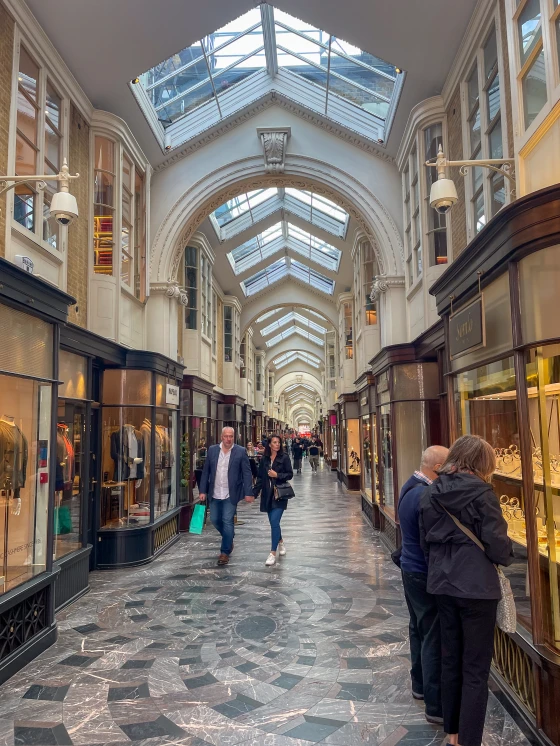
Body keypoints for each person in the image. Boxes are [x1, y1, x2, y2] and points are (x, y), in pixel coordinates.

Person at [419, 435, 514, 746]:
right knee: (475, 668)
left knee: (451, 658)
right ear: (482, 463)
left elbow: (424, 541)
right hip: (476, 588)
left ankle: (453, 733)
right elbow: (498, 547)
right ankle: (470, 739)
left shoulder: (431, 491)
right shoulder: (483, 493)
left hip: (442, 585)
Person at [398, 445, 449, 725]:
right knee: (432, 634)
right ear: (438, 467)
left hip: (410, 568)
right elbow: (429, 541)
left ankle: (418, 684)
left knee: (418, 628)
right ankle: (435, 703)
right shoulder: (425, 495)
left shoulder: (411, 485)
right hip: (422, 572)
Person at [199, 427, 254, 566]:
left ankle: (224, 552)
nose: (228, 439)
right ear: (221, 436)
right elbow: (206, 471)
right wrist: (202, 491)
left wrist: (249, 492)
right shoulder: (212, 450)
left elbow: (247, 473)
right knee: (215, 519)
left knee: (227, 520)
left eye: (231, 436)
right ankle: (229, 538)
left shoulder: (240, 451)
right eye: (226, 436)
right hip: (215, 492)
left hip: (231, 493)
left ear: (233, 437)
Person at [253, 434, 293, 566]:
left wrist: (277, 475)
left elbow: (290, 474)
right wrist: (254, 493)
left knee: (275, 521)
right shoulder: (264, 459)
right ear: (269, 444)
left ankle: (272, 553)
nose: (277, 445)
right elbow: (260, 477)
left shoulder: (284, 457)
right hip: (267, 494)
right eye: (274, 442)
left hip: (279, 494)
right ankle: (280, 541)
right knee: (273, 523)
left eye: (279, 442)